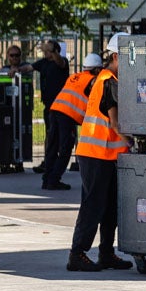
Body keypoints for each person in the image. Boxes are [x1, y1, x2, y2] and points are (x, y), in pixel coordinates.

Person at [66, 34, 132, 272]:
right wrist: (133, 143)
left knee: (110, 206)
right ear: (116, 57)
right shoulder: (108, 81)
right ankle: (78, 253)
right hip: (96, 154)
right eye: (128, 58)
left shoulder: (109, 79)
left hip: (106, 155)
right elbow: (115, 124)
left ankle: (106, 252)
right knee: (93, 206)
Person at [42, 53, 102, 191]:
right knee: (65, 148)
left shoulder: (75, 77)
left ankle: (46, 179)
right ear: (97, 69)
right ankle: (54, 180)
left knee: (52, 146)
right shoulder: (93, 81)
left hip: (55, 110)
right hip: (67, 116)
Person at [31, 40, 72, 182]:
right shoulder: (43, 63)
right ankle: (49, 168)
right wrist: (16, 69)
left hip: (63, 108)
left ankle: (53, 172)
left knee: (63, 141)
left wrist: (53, 51)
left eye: (48, 50)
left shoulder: (61, 62)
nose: (45, 53)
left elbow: (60, 62)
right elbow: (30, 67)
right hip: (50, 107)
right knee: (51, 138)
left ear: (55, 51)